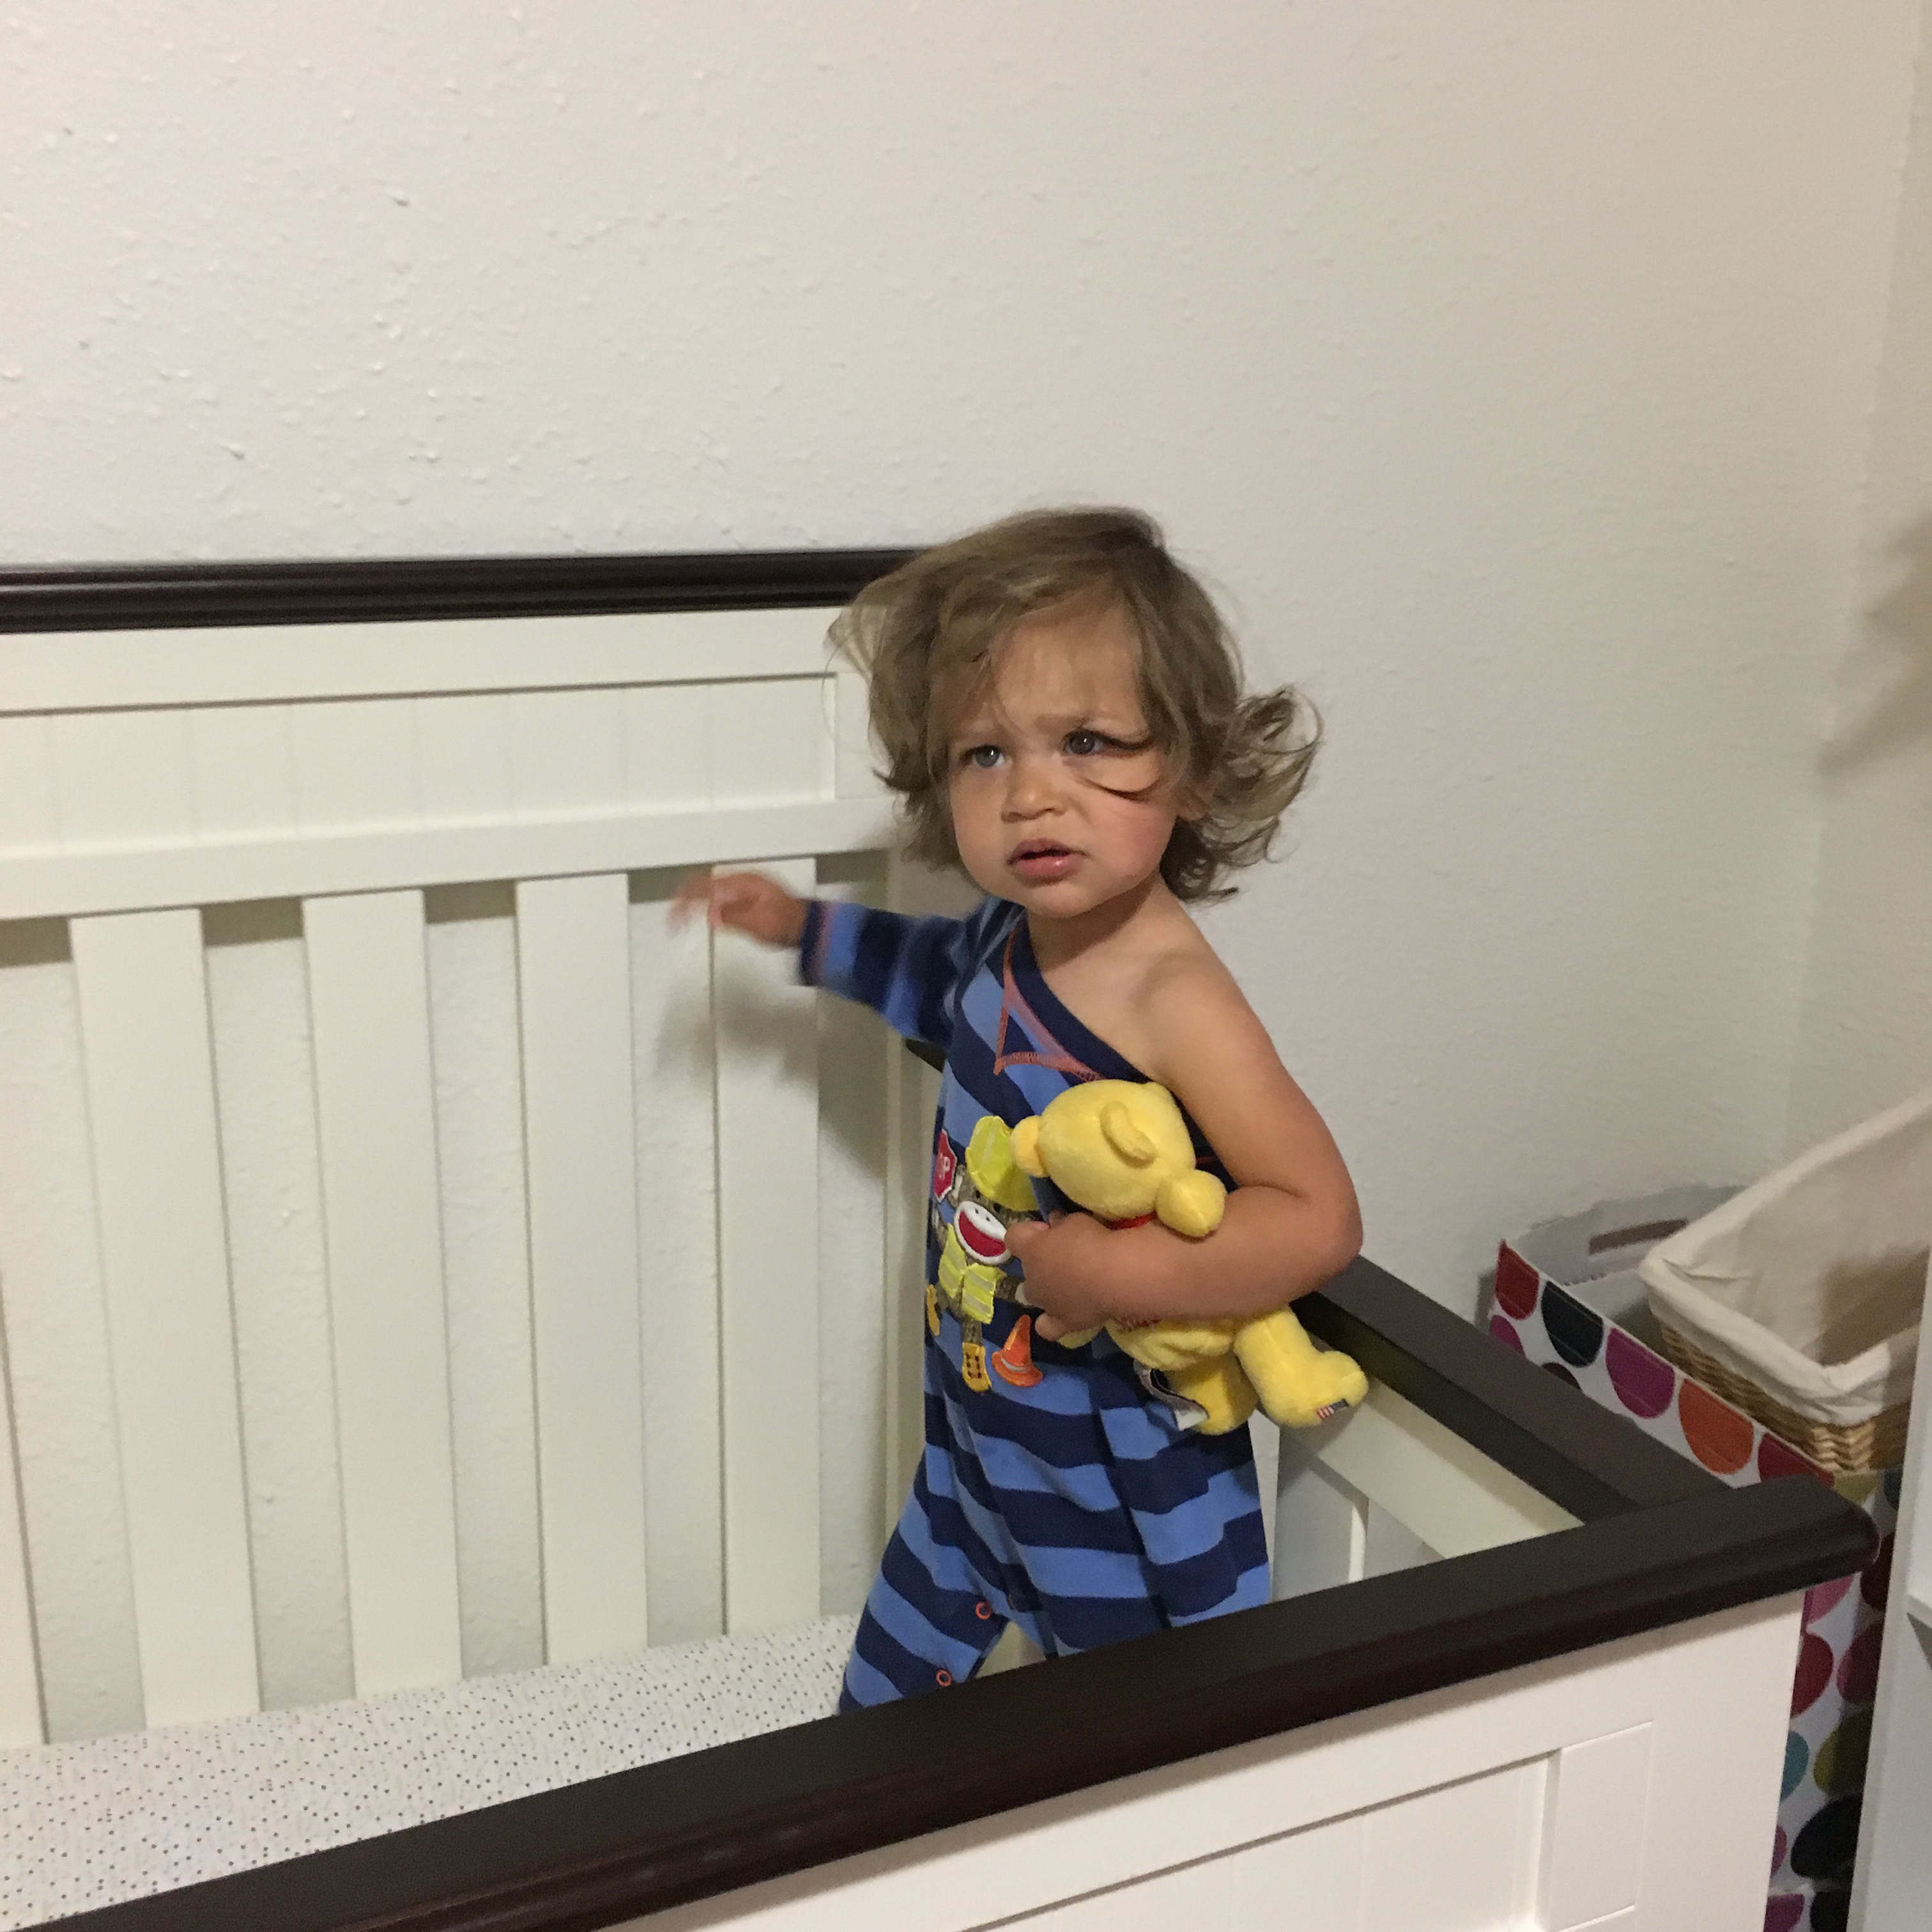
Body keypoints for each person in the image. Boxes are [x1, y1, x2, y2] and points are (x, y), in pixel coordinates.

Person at [673, 507, 1360, 1707]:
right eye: (986, 754)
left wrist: (1121, 1273)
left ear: (1195, 770)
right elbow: (927, 976)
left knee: (1130, 1751)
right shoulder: (1006, 942)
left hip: (1118, 1484)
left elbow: (1315, 1215)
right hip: (975, 1444)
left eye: (1087, 742)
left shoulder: (1175, 1001)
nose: (1033, 795)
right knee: (880, 1705)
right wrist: (800, 929)